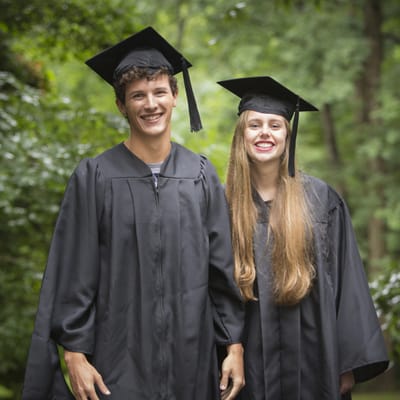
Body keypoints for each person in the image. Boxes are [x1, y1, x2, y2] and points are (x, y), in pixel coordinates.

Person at [22, 26, 245, 400]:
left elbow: (221, 272)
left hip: (191, 361)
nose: (150, 104)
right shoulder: (94, 176)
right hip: (116, 363)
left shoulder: (201, 175)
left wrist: (234, 346)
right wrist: (74, 352)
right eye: (137, 96)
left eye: (160, 92)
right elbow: (74, 272)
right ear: (121, 106)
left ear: (175, 97)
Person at [218, 76, 389, 400]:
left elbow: (347, 282)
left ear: (287, 135)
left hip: (315, 360)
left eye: (275, 125)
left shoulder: (321, 200)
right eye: (254, 125)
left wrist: (347, 363)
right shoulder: (222, 205)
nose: (264, 133)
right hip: (248, 366)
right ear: (241, 136)